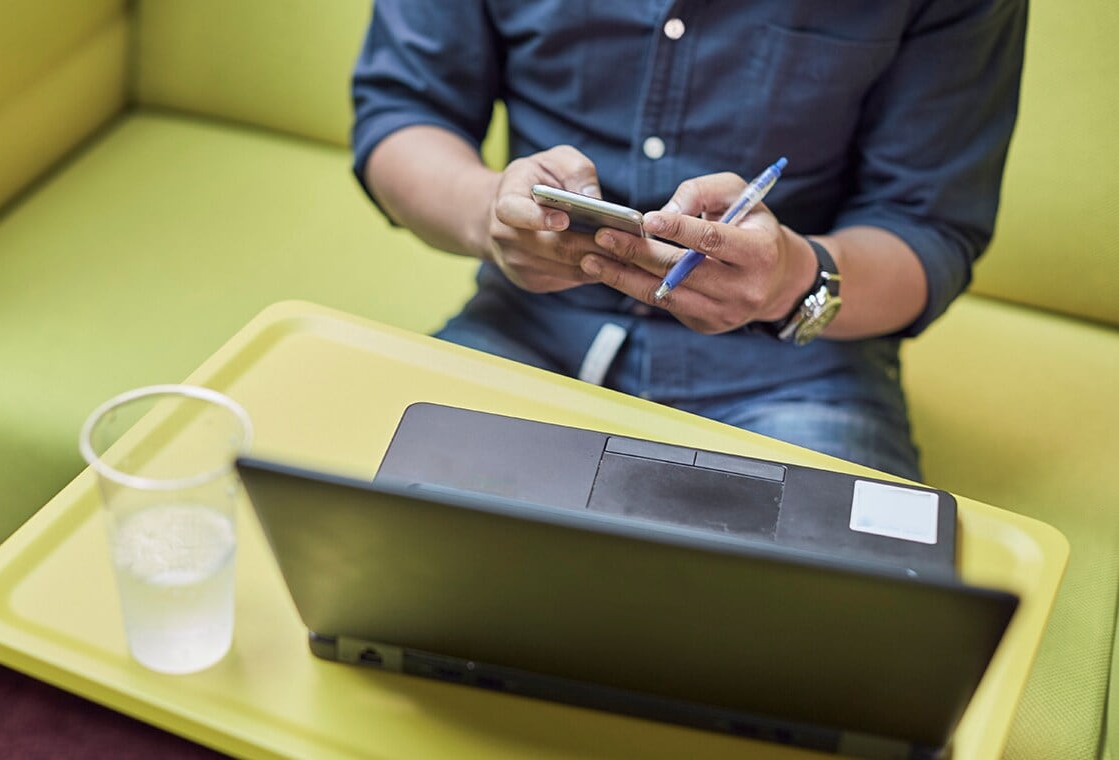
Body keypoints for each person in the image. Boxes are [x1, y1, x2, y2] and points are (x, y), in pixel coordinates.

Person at [351, 2, 1027, 482]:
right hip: (527, 327)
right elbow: (404, 111)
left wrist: (792, 279)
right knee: (376, 556)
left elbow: (929, 225)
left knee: (816, 649)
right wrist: (489, 216)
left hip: (798, 372)